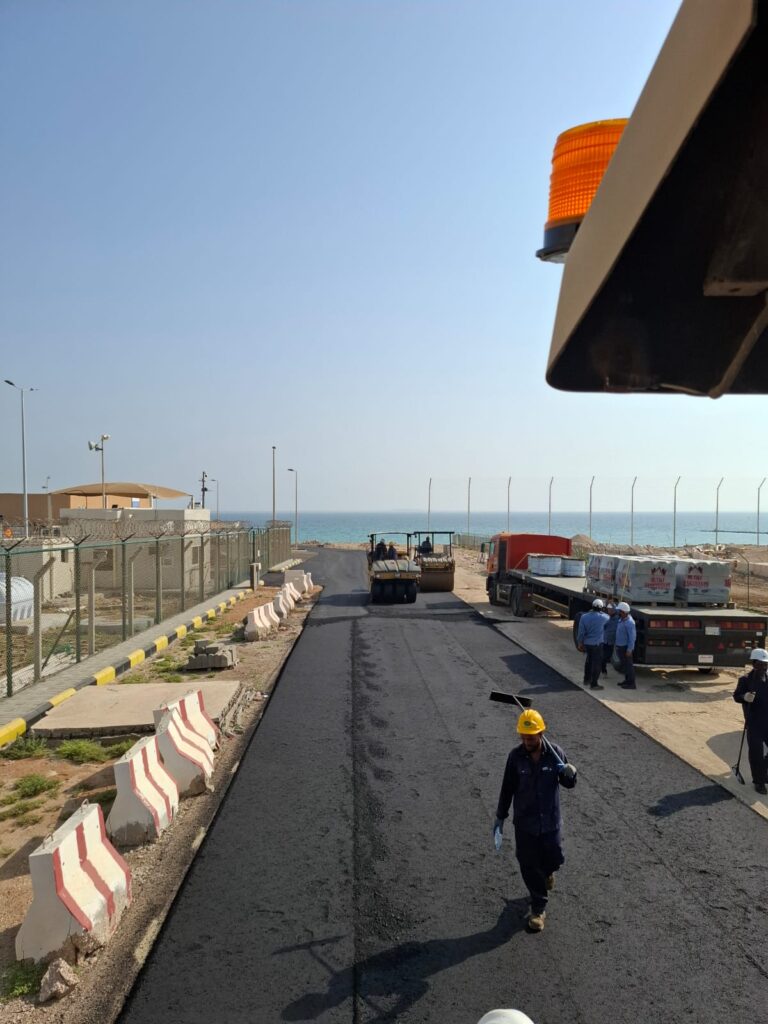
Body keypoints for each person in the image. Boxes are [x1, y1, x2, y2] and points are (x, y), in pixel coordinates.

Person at [494, 709, 577, 933]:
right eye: (523, 737)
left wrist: (570, 774)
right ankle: (538, 908)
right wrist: (500, 816)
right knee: (528, 864)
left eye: (530, 737)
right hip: (525, 823)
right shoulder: (515, 757)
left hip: (550, 822)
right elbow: (507, 788)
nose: (526, 741)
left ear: (541, 733)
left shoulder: (555, 753)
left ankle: (548, 872)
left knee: (554, 858)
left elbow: (568, 784)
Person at [733, 647, 768, 794]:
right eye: (760, 664)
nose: (763, 667)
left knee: (761, 759)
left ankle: (763, 771)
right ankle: (759, 782)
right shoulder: (745, 680)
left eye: (765, 664)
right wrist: (744, 697)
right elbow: (736, 696)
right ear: (753, 664)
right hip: (754, 722)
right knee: (756, 754)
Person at [576, 599, 609, 690]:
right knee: (597, 664)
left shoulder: (584, 617)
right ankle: (594, 684)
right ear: (601, 608)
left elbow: (581, 632)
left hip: (587, 644)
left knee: (588, 661)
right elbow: (609, 619)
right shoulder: (604, 617)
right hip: (597, 645)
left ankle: (586, 680)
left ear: (592, 606)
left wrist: (580, 643)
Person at [615, 601, 636, 689]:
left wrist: (629, 650)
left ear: (623, 612)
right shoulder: (622, 620)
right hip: (620, 646)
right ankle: (627, 681)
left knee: (628, 666)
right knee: (625, 665)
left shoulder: (630, 623)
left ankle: (631, 684)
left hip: (625, 648)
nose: (618, 613)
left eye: (619, 611)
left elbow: (632, 638)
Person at [602, 602, 619, 675]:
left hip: (612, 641)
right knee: (604, 656)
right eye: (608, 610)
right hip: (605, 640)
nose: (609, 611)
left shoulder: (618, 618)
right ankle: (603, 670)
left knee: (608, 656)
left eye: (611, 610)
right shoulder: (606, 618)